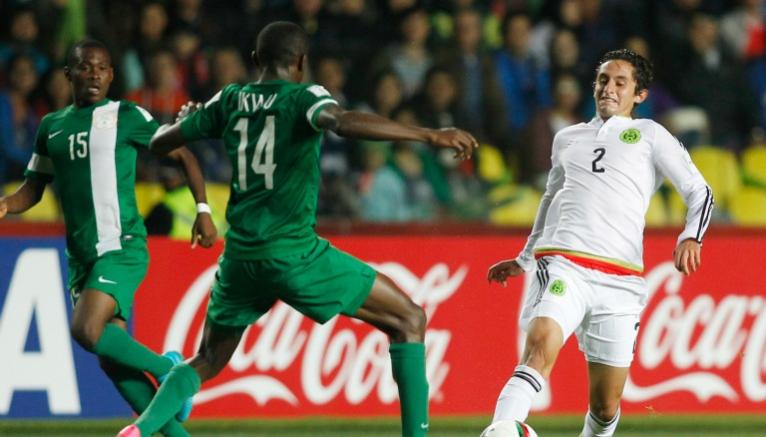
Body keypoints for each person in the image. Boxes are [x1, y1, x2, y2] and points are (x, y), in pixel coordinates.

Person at [116, 21, 477, 437]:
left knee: (208, 358)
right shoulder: (304, 97)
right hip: (295, 254)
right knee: (410, 319)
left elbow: (161, 143)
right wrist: (428, 134)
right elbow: (341, 121)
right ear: (302, 62)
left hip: (241, 259)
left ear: (255, 60)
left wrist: (189, 119)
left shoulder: (230, 99)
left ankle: (140, 430)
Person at [485, 49, 713, 437]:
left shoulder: (649, 135)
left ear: (639, 95)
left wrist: (691, 235)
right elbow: (549, 199)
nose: (608, 88)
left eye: (620, 82)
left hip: (620, 280)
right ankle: (502, 429)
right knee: (540, 348)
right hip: (564, 263)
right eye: (603, 80)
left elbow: (699, 191)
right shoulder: (567, 138)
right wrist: (525, 258)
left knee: (605, 407)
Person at [0, 39, 217, 437]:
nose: (94, 74)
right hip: (82, 258)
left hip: (122, 247)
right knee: (110, 358)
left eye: (102, 68)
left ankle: (171, 370)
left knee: (86, 331)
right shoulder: (52, 126)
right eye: (85, 67)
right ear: (69, 74)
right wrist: (6, 204)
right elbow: (34, 187)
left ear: (113, 75)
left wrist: (203, 210)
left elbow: (181, 153)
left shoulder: (126, 115)